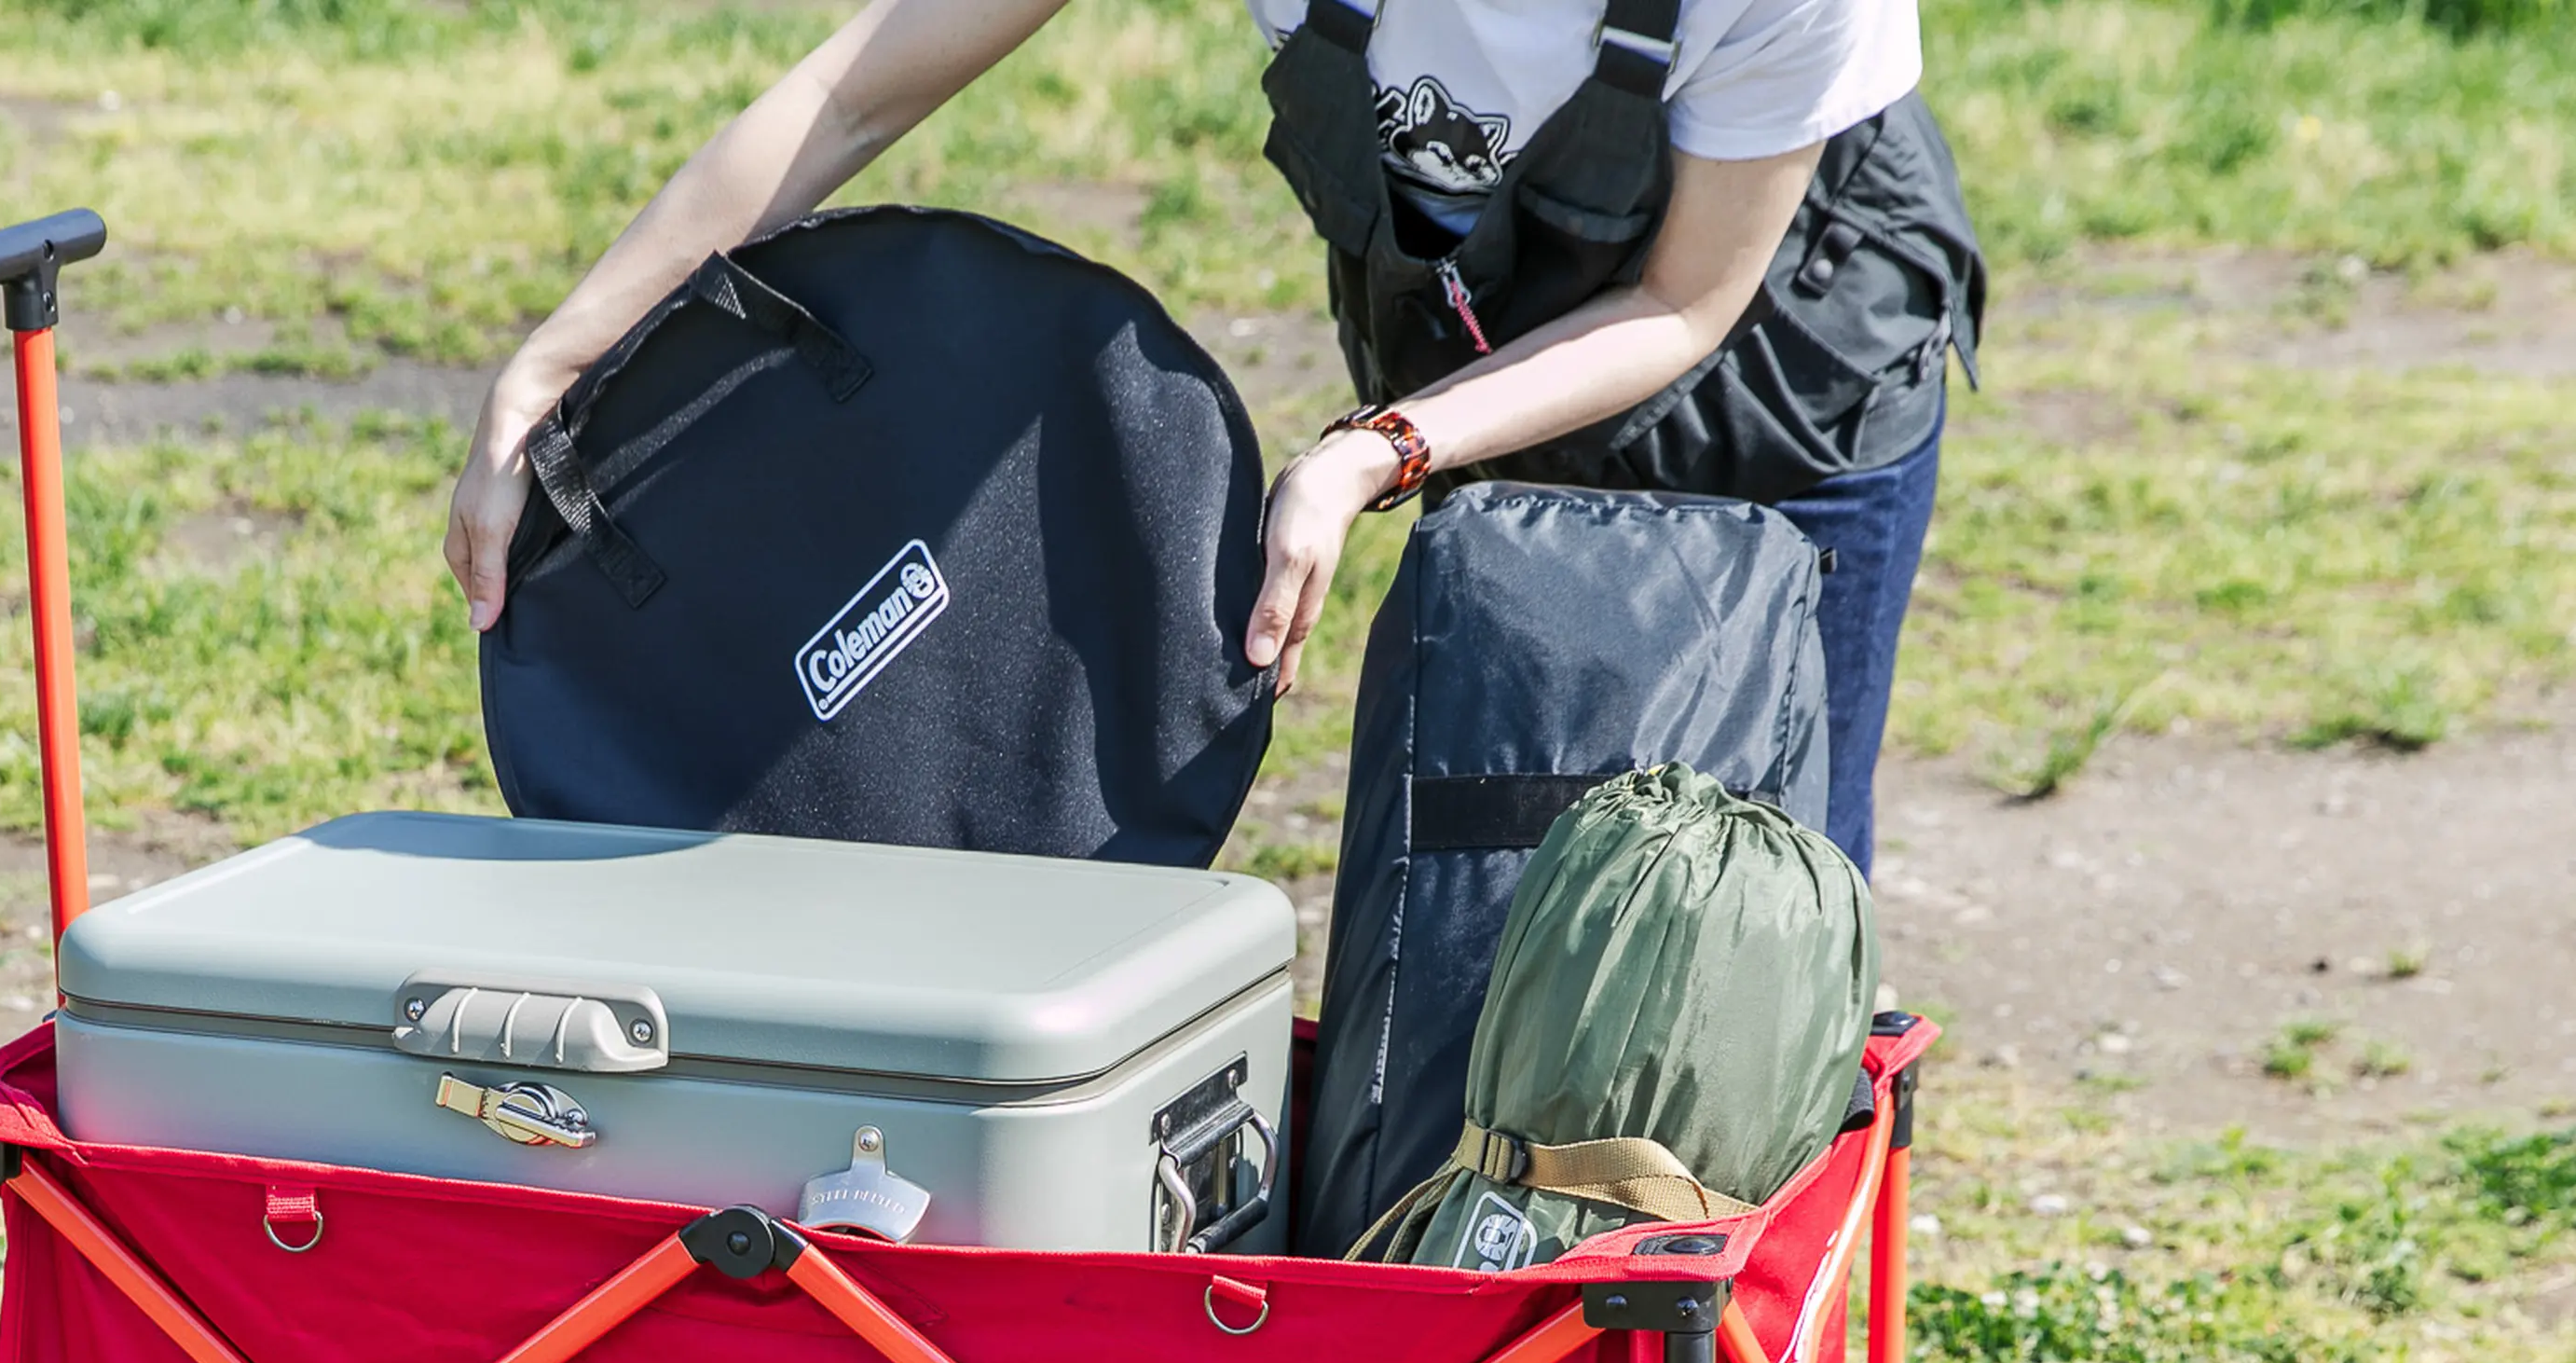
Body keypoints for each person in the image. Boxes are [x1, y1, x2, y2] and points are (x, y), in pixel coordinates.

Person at [444, 0, 1981, 877]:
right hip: (1467, 359)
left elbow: (1683, 302)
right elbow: (855, 94)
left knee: (1766, 892)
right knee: (1505, 875)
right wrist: (561, 351)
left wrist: (1366, 450)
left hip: (1780, 380)